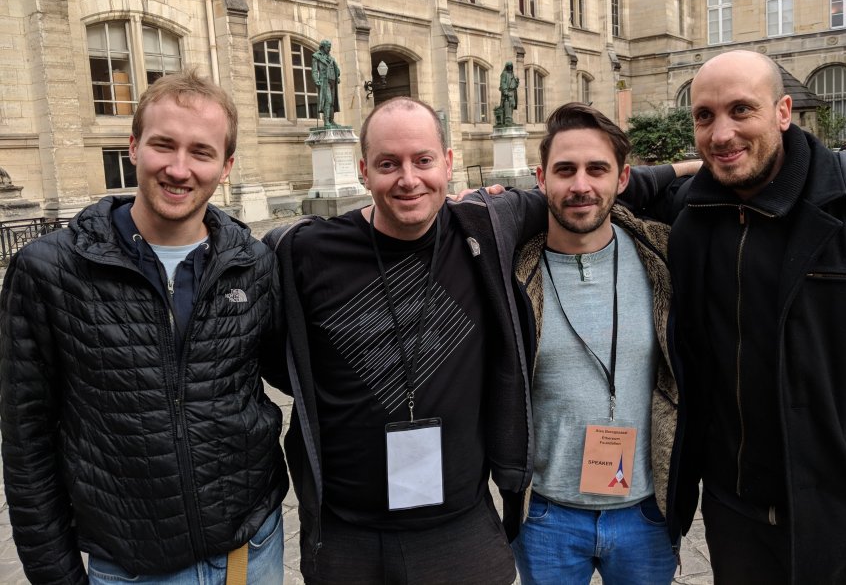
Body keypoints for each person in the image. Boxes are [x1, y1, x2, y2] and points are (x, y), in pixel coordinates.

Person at [265, 96, 679, 584]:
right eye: (388, 164)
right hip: (347, 531)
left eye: (423, 160)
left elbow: (591, 189)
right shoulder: (304, 250)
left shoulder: (483, 226)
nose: (408, 179)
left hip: (461, 525)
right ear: (363, 171)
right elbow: (274, 360)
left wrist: (699, 165)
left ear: (448, 163)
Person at [0, 69, 289, 584]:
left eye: (201, 152)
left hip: (252, 550)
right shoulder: (49, 270)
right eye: (163, 145)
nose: (179, 168)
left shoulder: (252, 263)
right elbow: (26, 443)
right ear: (133, 147)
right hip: (132, 566)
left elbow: (289, 374)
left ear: (226, 167)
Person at [669, 50, 846, 583]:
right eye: (704, 116)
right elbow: (605, 186)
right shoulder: (693, 219)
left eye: (742, 110)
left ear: (784, 112)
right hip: (735, 516)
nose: (721, 134)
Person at [510, 103, 681, 584]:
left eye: (597, 169)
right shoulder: (512, 273)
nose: (580, 185)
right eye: (565, 170)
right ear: (541, 178)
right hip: (546, 516)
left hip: (647, 513)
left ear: (623, 178)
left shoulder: (663, 257)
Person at [312, 39, 341, 127]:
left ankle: (331, 120)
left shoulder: (331, 58)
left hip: (333, 81)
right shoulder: (316, 56)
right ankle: (326, 121)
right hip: (324, 81)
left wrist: (337, 76)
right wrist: (316, 80)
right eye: (328, 47)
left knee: (332, 102)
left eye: (330, 47)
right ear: (323, 47)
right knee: (328, 100)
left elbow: (336, 69)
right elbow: (314, 70)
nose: (329, 49)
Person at [500, 61, 519, 126]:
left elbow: (515, 85)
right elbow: (503, 83)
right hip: (508, 92)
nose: (510, 68)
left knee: (512, 105)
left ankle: (510, 119)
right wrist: (506, 92)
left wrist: (517, 81)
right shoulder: (504, 73)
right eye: (509, 66)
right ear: (507, 67)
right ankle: (507, 120)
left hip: (513, 92)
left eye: (511, 66)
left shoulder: (512, 74)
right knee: (507, 105)